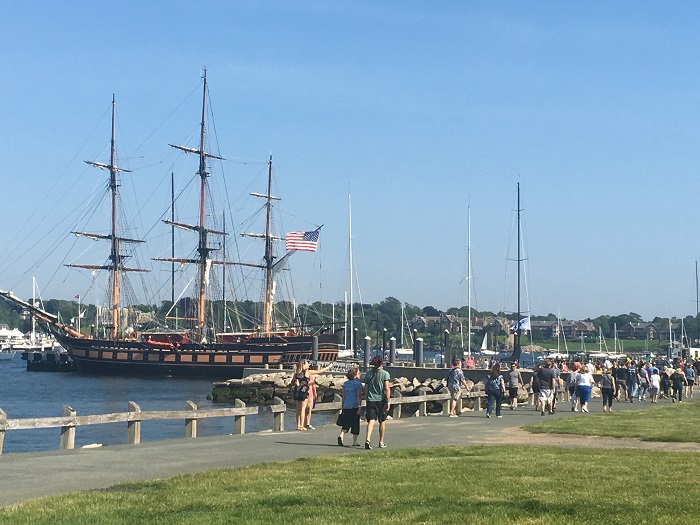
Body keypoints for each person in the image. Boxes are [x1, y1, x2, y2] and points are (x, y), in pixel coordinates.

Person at [290, 359, 332, 431]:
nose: (308, 365)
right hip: (304, 391)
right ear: (303, 365)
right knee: (303, 409)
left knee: (298, 409)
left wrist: (296, 384)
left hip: (297, 391)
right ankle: (302, 426)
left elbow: (292, 382)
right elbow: (319, 371)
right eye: (307, 364)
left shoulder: (296, 373)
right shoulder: (307, 372)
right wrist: (328, 367)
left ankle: (298, 425)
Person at [363, 355, 391, 449]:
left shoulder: (369, 374)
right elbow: (387, 388)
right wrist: (388, 401)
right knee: (382, 420)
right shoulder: (385, 374)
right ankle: (381, 442)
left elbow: (366, 388)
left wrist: (366, 397)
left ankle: (367, 439)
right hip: (380, 400)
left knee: (371, 420)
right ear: (381, 363)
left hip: (370, 400)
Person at [337, 366, 363, 447]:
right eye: (359, 373)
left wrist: (342, 407)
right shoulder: (358, 385)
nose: (360, 374)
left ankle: (341, 435)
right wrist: (359, 406)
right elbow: (358, 396)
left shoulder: (345, 384)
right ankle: (354, 441)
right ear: (355, 375)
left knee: (346, 423)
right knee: (355, 424)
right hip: (354, 406)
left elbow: (343, 396)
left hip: (346, 406)